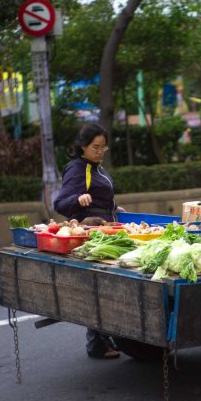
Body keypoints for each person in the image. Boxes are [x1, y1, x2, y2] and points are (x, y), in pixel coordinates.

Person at [54, 123, 121, 359]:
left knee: (104, 285)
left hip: (106, 231)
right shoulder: (77, 167)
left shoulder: (95, 167)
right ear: (83, 146)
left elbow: (101, 197)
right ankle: (98, 342)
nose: (101, 151)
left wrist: (113, 208)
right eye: (96, 147)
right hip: (90, 236)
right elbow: (61, 203)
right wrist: (77, 198)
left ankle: (102, 339)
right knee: (100, 286)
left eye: (104, 147)